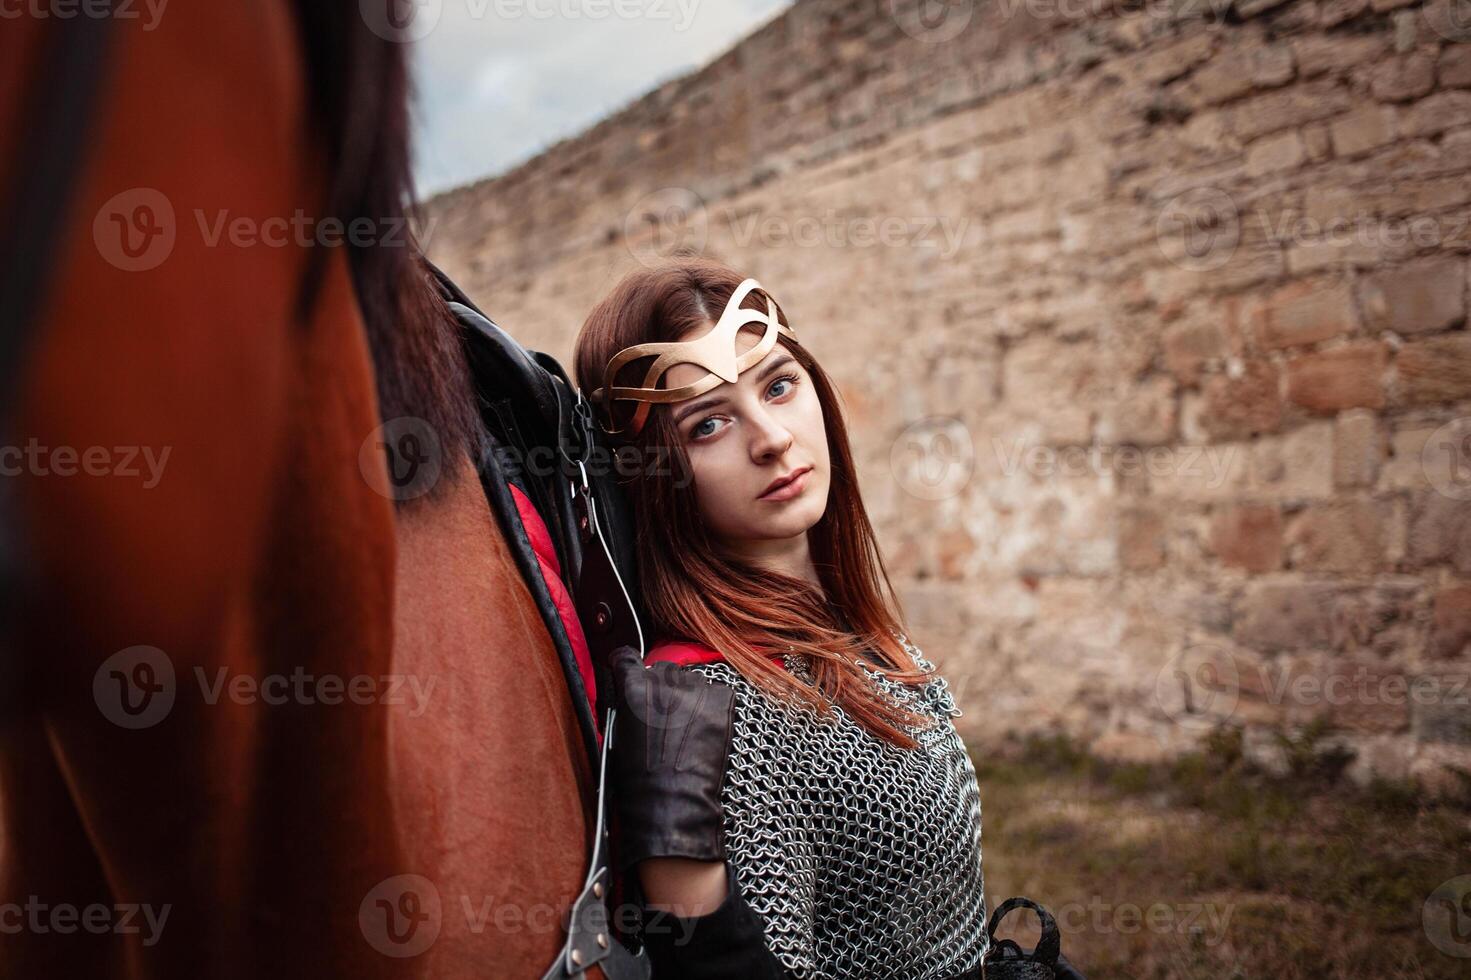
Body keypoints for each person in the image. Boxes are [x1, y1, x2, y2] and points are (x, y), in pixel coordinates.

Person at [572, 259, 990, 979]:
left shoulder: (852, 636)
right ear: (652, 473)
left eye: (778, 385)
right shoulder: (702, 715)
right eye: (707, 424)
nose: (770, 438)